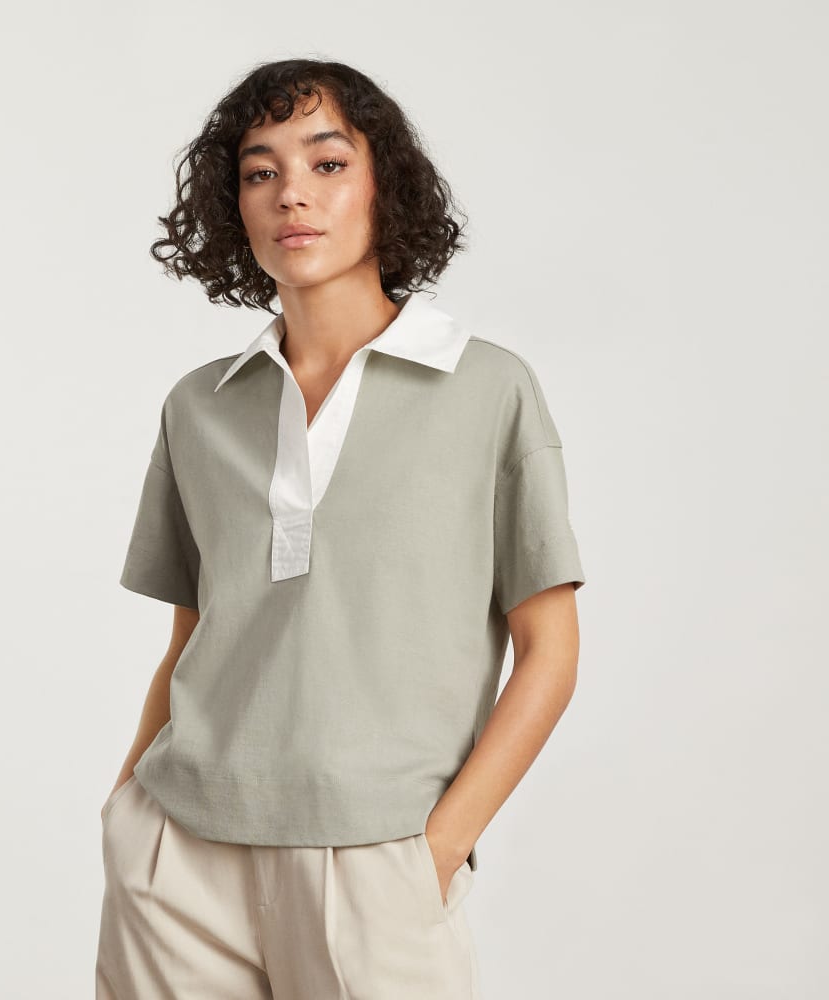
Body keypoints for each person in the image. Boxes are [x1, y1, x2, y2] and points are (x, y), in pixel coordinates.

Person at [95, 58, 586, 1000]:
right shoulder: (200, 405)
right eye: (260, 171)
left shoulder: (487, 388)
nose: (292, 194)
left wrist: (435, 853)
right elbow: (192, 637)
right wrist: (125, 812)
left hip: (378, 860)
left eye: (327, 164)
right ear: (234, 206)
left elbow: (550, 652)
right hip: (179, 855)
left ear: (381, 185)